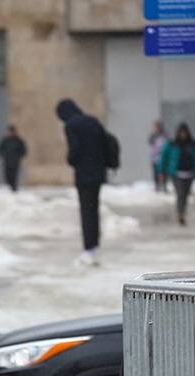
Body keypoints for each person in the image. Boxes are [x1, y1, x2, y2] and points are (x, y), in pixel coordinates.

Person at [56, 99, 109, 267]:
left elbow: (75, 150)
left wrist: (71, 160)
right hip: (98, 172)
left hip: (84, 175)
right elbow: (105, 144)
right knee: (94, 209)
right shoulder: (93, 121)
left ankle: (89, 249)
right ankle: (95, 247)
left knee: (86, 211)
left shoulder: (71, 125)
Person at [162, 122, 195, 227]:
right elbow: (164, 157)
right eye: (181, 133)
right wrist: (163, 170)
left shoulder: (194, 145)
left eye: (184, 133)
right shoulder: (172, 144)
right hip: (176, 174)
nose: (183, 135)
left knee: (185, 194)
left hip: (190, 173)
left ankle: (182, 211)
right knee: (180, 194)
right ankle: (180, 213)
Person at [0, 125, 28, 192]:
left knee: (14, 176)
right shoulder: (5, 140)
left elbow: (24, 150)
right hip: (7, 161)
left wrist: (18, 156)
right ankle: (8, 188)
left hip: (15, 162)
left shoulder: (19, 140)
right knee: (7, 175)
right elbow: (0, 149)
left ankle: (14, 189)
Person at [149, 121, 169, 193]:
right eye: (156, 127)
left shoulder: (165, 135)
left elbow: (168, 144)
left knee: (164, 172)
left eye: (158, 126)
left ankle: (164, 185)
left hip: (163, 158)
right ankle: (157, 185)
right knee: (155, 173)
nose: (157, 128)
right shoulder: (153, 135)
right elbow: (150, 142)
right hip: (155, 157)